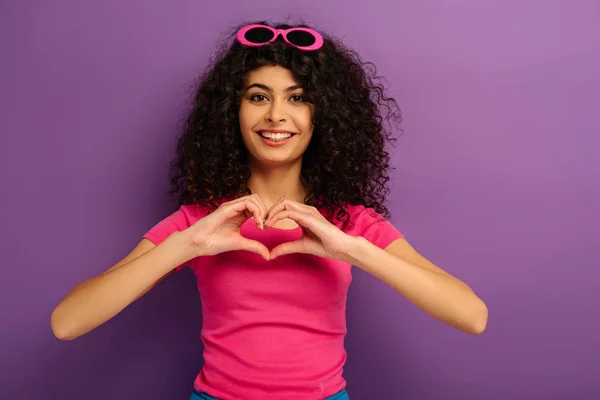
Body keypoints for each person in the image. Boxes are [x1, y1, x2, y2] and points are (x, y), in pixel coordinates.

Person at [50, 21, 488, 400]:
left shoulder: (348, 223)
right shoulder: (200, 221)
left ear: (324, 115)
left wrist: (353, 250)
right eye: (258, 97)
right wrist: (187, 244)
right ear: (231, 112)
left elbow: (471, 315)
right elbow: (67, 322)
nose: (277, 115)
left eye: (297, 98)